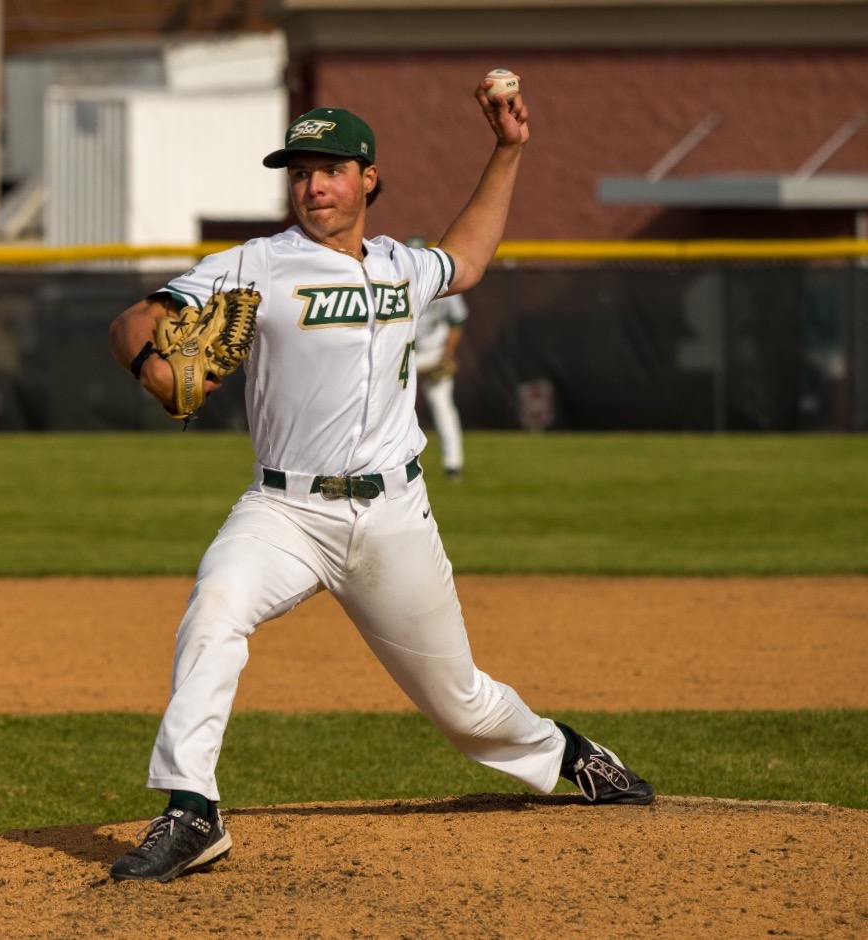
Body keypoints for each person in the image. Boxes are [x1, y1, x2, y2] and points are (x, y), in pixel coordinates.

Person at [104, 78, 654, 884]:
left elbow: (466, 256)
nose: (311, 185)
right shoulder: (256, 264)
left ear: (368, 179)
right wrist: (154, 365)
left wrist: (508, 150)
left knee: (461, 704)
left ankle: (566, 752)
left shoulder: (401, 267)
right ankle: (191, 809)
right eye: (299, 172)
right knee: (214, 608)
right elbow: (132, 320)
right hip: (284, 510)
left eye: (328, 169)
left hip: (395, 515)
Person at [406, 235, 470, 481]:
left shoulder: (442, 283)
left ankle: (453, 464)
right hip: (405, 356)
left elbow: (458, 319)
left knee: (443, 408)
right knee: (392, 413)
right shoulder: (397, 280)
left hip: (433, 353)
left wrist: (448, 352)